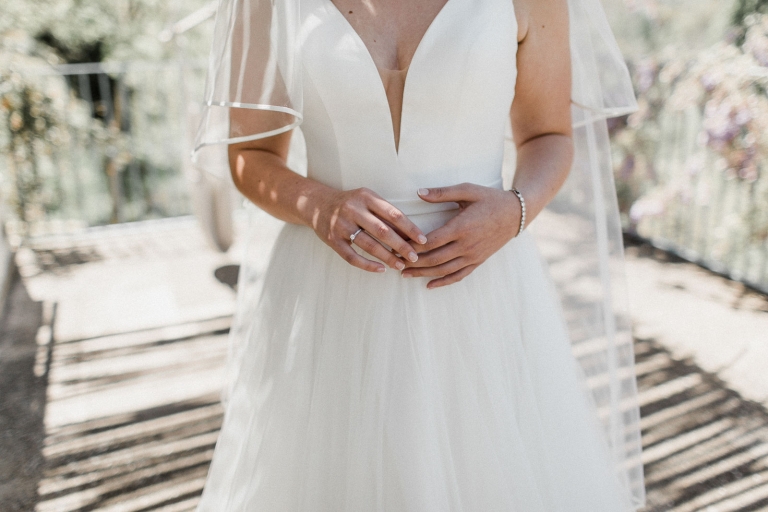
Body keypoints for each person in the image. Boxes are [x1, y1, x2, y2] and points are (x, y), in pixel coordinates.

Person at [193, 0, 646, 509]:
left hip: (479, 291)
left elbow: (549, 136)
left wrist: (514, 210)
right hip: (330, 290)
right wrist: (320, 206)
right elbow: (250, 156)